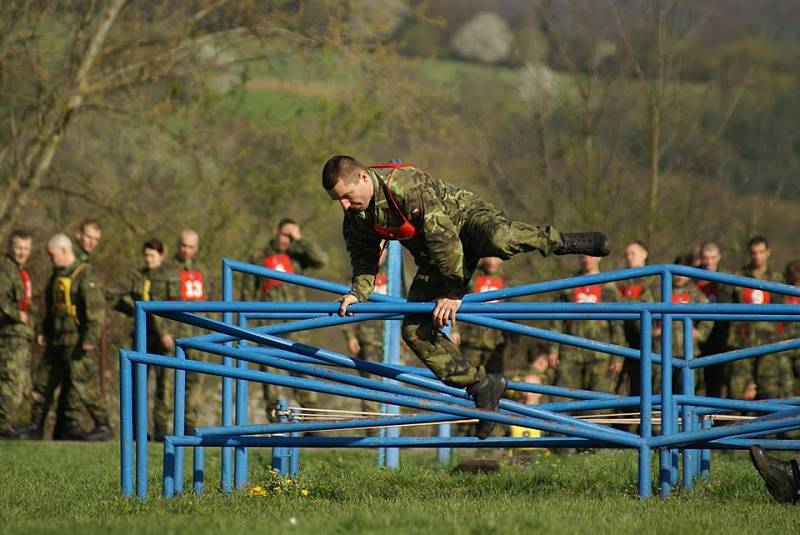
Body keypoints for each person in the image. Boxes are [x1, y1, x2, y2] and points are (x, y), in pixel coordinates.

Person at [322, 155, 609, 438]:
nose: (345, 205)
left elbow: (444, 239)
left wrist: (452, 292)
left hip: (466, 222)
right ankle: (481, 385)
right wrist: (357, 294)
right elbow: (363, 257)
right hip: (436, 257)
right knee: (414, 330)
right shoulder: (356, 216)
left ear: (362, 177)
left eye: (347, 196)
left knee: (500, 239)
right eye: (339, 201)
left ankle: (562, 241)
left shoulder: (405, 188)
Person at [18, 234, 111, 441]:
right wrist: (43, 331)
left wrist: (90, 338)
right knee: (42, 384)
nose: (51, 259)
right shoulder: (56, 276)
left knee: (84, 384)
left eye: (53, 255)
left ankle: (103, 424)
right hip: (56, 340)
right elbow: (50, 309)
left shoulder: (86, 275)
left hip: (77, 341)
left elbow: (95, 313)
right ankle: (35, 426)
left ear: (64, 251)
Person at [243, 218, 328, 418]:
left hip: (297, 325)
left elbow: (321, 260)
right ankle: (275, 424)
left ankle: (311, 423)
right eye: (285, 235)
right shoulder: (257, 257)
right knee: (271, 378)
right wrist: (249, 327)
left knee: (303, 373)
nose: (287, 240)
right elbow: (247, 294)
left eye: (291, 237)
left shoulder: (297, 256)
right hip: (269, 326)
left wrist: (300, 239)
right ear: (275, 231)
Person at [106, 238, 180, 440]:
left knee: (164, 388)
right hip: (143, 338)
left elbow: (172, 307)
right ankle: (139, 432)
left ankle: (161, 432)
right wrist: (133, 310)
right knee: (138, 386)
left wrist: (167, 332)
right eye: (146, 255)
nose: (148, 260)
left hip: (164, 339)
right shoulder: (137, 276)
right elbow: (110, 294)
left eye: (152, 256)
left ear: (162, 255)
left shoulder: (170, 277)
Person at [552, 255, 624, 396]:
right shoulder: (568, 284)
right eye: (584, 255)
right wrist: (553, 349)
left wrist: (618, 355)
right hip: (570, 350)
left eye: (591, 255)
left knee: (599, 402)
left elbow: (617, 323)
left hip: (601, 352)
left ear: (599, 258)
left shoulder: (608, 286)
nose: (587, 259)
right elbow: (557, 318)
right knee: (563, 397)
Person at [727, 236, 788, 400]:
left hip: (769, 342)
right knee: (737, 390)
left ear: (768, 252)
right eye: (754, 252)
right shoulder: (739, 278)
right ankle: (735, 425)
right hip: (742, 340)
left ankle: (767, 425)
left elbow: (782, 312)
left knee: (769, 390)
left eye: (761, 252)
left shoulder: (777, 279)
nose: (757, 256)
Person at [651, 254, 711, 393]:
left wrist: (701, 333)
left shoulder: (696, 293)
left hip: (688, 350)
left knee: (687, 389)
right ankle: (656, 415)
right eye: (677, 273)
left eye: (683, 273)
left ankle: (687, 415)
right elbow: (641, 311)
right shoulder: (659, 290)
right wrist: (652, 331)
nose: (679, 277)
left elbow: (710, 314)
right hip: (662, 350)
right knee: (660, 390)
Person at [172, 229, 209, 434]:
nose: (186, 250)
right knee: (171, 378)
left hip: (199, 330)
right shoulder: (168, 269)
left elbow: (210, 301)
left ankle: (188, 424)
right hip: (176, 330)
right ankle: (164, 427)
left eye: (191, 247)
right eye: (183, 245)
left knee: (196, 379)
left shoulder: (202, 270)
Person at [0, 230, 35, 438]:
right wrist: (17, 315)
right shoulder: (6, 271)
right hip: (9, 335)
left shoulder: (21, 271)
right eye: (18, 248)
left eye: (26, 248)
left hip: (22, 335)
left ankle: (10, 422)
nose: (22, 252)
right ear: (10, 247)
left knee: (21, 382)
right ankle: (2, 423)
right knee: (10, 379)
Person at [452, 257, 507, 376]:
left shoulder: (507, 278)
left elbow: (514, 311)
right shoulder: (471, 274)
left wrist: (513, 341)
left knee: (494, 380)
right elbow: (455, 300)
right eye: (489, 256)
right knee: (465, 376)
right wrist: (454, 329)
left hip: (496, 340)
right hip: (471, 338)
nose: (492, 261)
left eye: (495, 256)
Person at [615, 240, 655, 397]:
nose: (629, 257)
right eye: (627, 255)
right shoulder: (619, 278)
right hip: (623, 337)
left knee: (646, 384)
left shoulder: (654, 277)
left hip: (647, 337)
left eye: (633, 253)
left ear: (644, 254)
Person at [696, 241, 733, 398]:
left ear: (719, 257)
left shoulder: (727, 280)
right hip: (697, 336)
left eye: (713, 257)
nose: (709, 261)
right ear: (701, 258)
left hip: (720, 335)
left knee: (717, 381)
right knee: (695, 382)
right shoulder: (693, 277)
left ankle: (716, 420)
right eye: (706, 258)